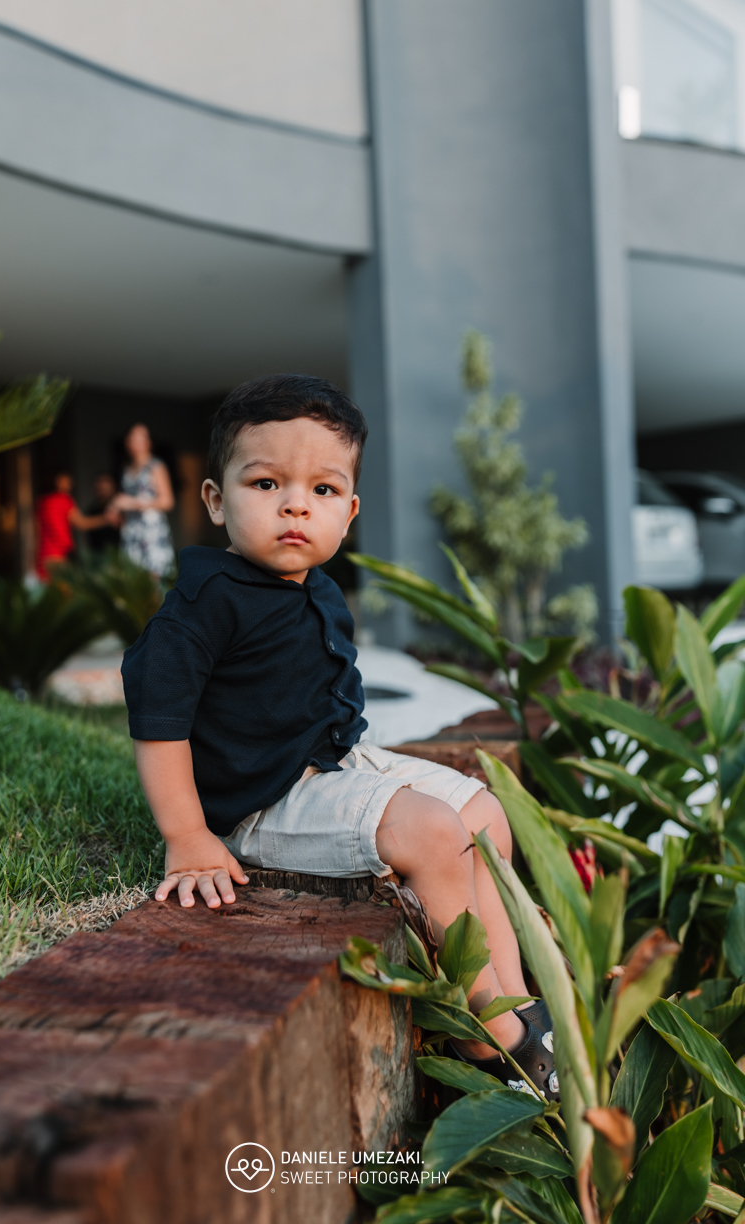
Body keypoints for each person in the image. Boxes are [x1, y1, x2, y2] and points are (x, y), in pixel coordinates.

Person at [121, 375, 556, 1099]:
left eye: (322, 491)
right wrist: (189, 833)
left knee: (482, 814)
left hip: (331, 763)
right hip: (263, 801)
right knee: (431, 832)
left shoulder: (316, 585)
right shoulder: (202, 608)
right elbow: (158, 722)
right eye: (266, 483)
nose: (296, 504)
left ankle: (509, 999)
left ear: (348, 512)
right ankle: (499, 1045)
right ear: (216, 501)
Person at [112, 424, 175, 576]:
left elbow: (168, 501)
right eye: (132, 438)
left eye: (141, 438)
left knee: (154, 579)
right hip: (131, 530)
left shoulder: (156, 466)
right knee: (132, 580)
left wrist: (134, 503)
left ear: (148, 442)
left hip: (151, 531)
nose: (136, 442)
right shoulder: (126, 468)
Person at [35, 472, 112, 579]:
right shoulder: (64, 500)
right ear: (56, 482)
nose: (70, 485)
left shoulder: (42, 501)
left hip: (43, 554)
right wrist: (107, 519)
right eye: (66, 481)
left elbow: (36, 531)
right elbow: (82, 523)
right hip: (58, 554)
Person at [84, 473, 121, 554]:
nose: (102, 489)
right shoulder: (92, 511)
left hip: (118, 554)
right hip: (97, 554)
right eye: (99, 486)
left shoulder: (121, 509)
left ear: (114, 486)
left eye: (105, 486)